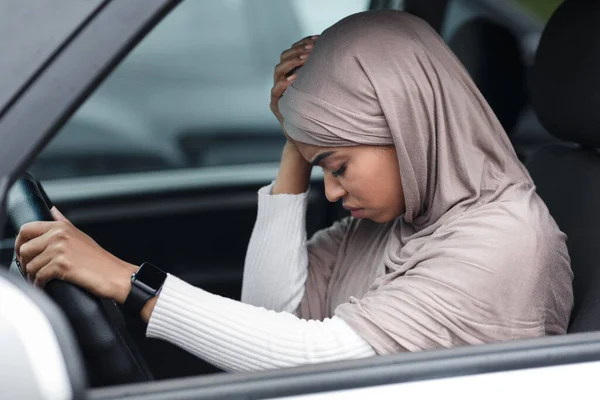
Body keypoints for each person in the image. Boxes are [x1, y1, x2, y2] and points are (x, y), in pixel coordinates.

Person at [15, 10, 573, 372]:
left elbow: (306, 360)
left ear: (408, 126)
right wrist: (297, 146)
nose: (328, 192)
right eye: (319, 168)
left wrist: (125, 280)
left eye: (338, 164)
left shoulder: (505, 241)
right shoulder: (395, 221)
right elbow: (268, 313)